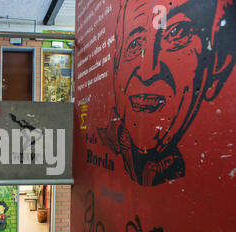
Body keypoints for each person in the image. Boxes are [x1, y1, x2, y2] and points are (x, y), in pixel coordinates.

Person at [97, 0, 234, 186]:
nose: (148, 73)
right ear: (116, 71)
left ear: (219, 63)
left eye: (177, 33)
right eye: (135, 43)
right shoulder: (103, 144)